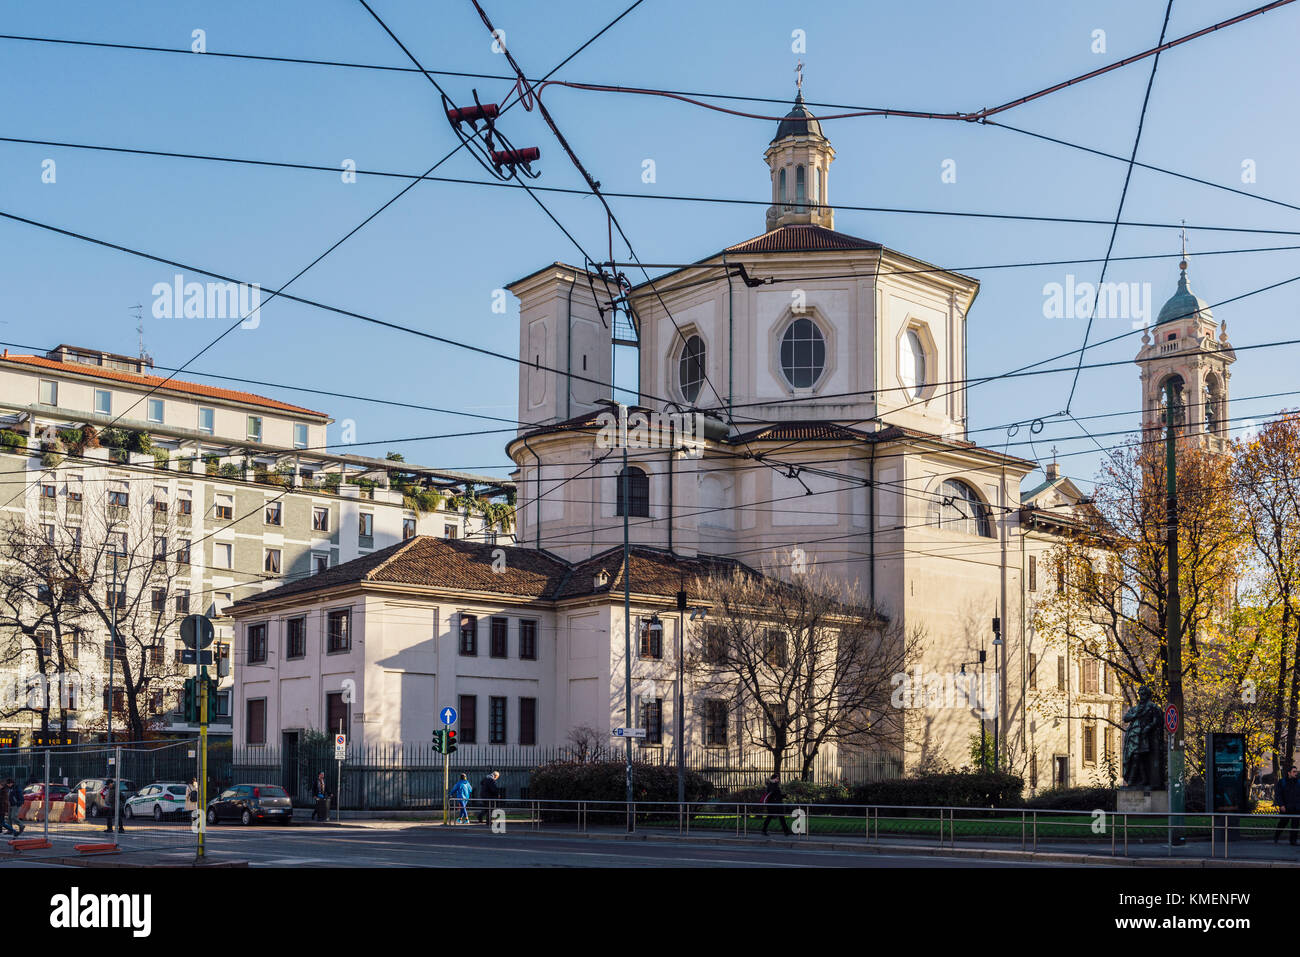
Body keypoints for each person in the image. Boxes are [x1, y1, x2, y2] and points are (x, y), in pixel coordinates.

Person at [1274, 766, 1300, 845]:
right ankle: (1276, 836)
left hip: (1296, 808)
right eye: (1294, 771)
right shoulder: (1282, 782)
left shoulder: (1298, 782)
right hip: (1286, 807)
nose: (1296, 773)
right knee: (1283, 823)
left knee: (1295, 825)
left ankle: (1293, 841)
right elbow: (1278, 794)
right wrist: (1281, 805)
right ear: (1289, 773)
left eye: (1296, 771)